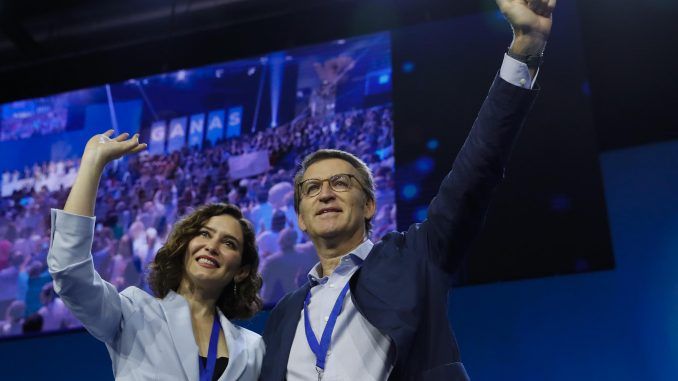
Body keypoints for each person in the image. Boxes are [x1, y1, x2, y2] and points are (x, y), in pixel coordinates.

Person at [260, 0, 555, 380]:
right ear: (300, 217)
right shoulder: (284, 313)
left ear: (369, 205)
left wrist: (525, 48)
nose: (325, 193)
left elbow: (476, 170)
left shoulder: (415, 257)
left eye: (340, 182)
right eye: (311, 188)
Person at [47, 131, 264, 380]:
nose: (212, 246)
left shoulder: (252, 349)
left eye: (228, 243)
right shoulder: (133, 313)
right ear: (184, 247)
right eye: (204, 234)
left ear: (241, 270)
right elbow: (70, 270)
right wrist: (92, 163)